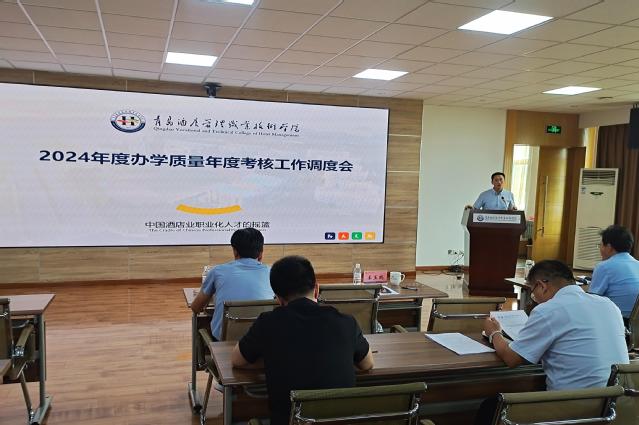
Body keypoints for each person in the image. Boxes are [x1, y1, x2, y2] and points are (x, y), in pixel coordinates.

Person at [475, 260, 628, 425]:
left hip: (576, 410)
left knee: (492, 407)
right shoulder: (609, 305)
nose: (534, 298)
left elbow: (511, 358)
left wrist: (494, 333)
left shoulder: (549, 309)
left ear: (542, 286)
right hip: (618, 408)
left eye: (533, 292)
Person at [231, 255, 374, 425]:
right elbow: (367, 364)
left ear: (278, 298)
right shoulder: (346, 322)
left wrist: (272, 357)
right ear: (317, 289)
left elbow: (237, 360)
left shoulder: (267, 323)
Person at [190, 228, 273, 341]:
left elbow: (196, 308)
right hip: (263, 340)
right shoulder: (272, 273)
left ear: (235, 251)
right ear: (261, 252)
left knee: (203, 323)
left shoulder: (217, 272)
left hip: (225, 341)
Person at [589, 225, 639, 322]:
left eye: (601, 245)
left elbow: (592, 300)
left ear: (609, 247)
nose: (600, 249)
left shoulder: (604, 267)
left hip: (618, 322)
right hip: (635, 324)